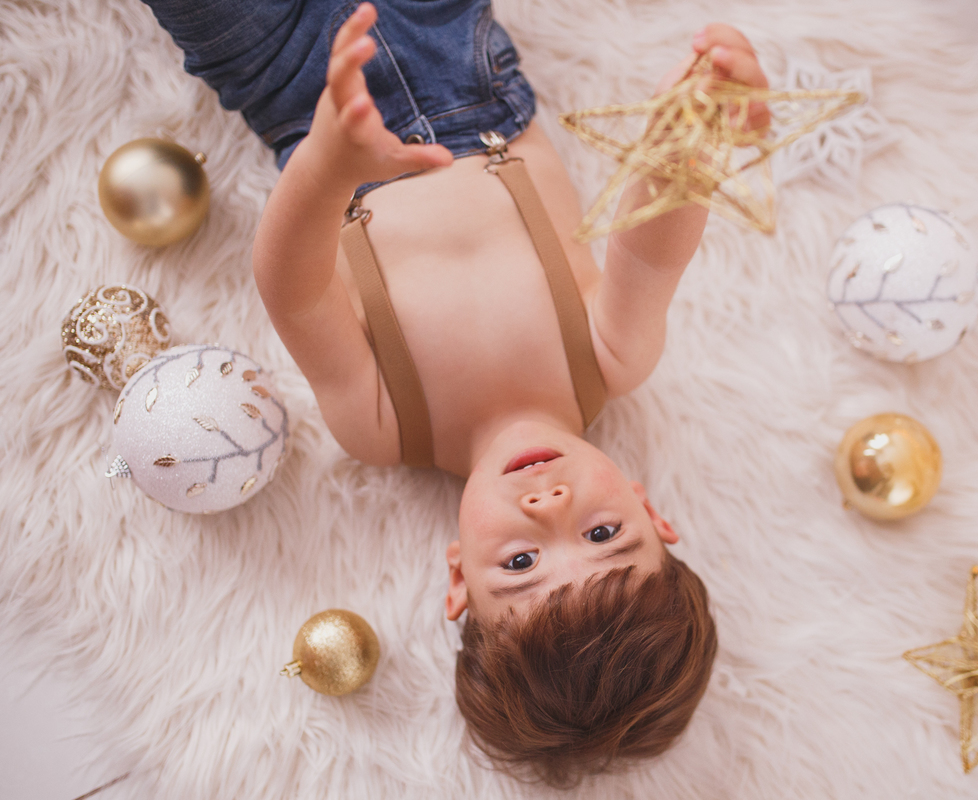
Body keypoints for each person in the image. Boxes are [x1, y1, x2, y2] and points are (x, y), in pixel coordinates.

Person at [143, 0, 767, 785]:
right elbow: (650, 248)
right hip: (462, 66)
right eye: (605, 536)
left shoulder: (384, 427)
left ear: (457, 577)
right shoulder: (610, 359)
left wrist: (332, 166)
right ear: (652, 512)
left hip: (298, 96)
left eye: (521, 560)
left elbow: (293, 293)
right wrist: (696, 132)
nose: (549, 508)